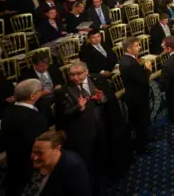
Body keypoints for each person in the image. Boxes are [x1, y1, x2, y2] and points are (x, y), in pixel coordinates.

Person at [54, 60, 131, 193]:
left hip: (103, 127)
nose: (74, 78)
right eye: (71, 75)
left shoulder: (98, 80)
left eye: (78, 74)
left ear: (87, 72)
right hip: (83, 135)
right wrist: (78, 108)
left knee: (107, 156)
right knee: (91, 164)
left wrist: (101, 99)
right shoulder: (63, 92)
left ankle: (112, 181)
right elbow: (62, 117)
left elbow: (109, 101)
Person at [2, 79, 48, 196]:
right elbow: (40, 145)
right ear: (33, 96)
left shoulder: (8, 111)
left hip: (13, 164)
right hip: (30, 169)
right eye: (40, 90)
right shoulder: (34, 118)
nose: (42, 92)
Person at [119, 37, 155, 155]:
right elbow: (143, 81)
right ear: (129, 49)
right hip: (137, 97)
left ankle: (145, 138)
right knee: (141, 122)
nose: (140, 47)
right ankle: (141, 147)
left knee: (142, 121)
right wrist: (148, 70)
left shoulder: (128, 60)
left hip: (136, 95)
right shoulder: (129, 63)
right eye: (137, 46)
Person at [30, 130, 92, 196]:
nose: (35, 157)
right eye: (34, 152)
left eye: (40, 153)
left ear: (57, 149)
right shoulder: (38, 163)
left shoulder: (74, 168)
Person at [18, 52, 63, 122]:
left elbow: (62, 81)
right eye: (41, 66)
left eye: (46, 65)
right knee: (44, 105)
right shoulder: (26, 76)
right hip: (40, 99)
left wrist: (59, 85)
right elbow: (25, 94)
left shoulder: (53, 68)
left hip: (56, 93)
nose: (45, 68)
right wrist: (40, 94)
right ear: (34, 65)